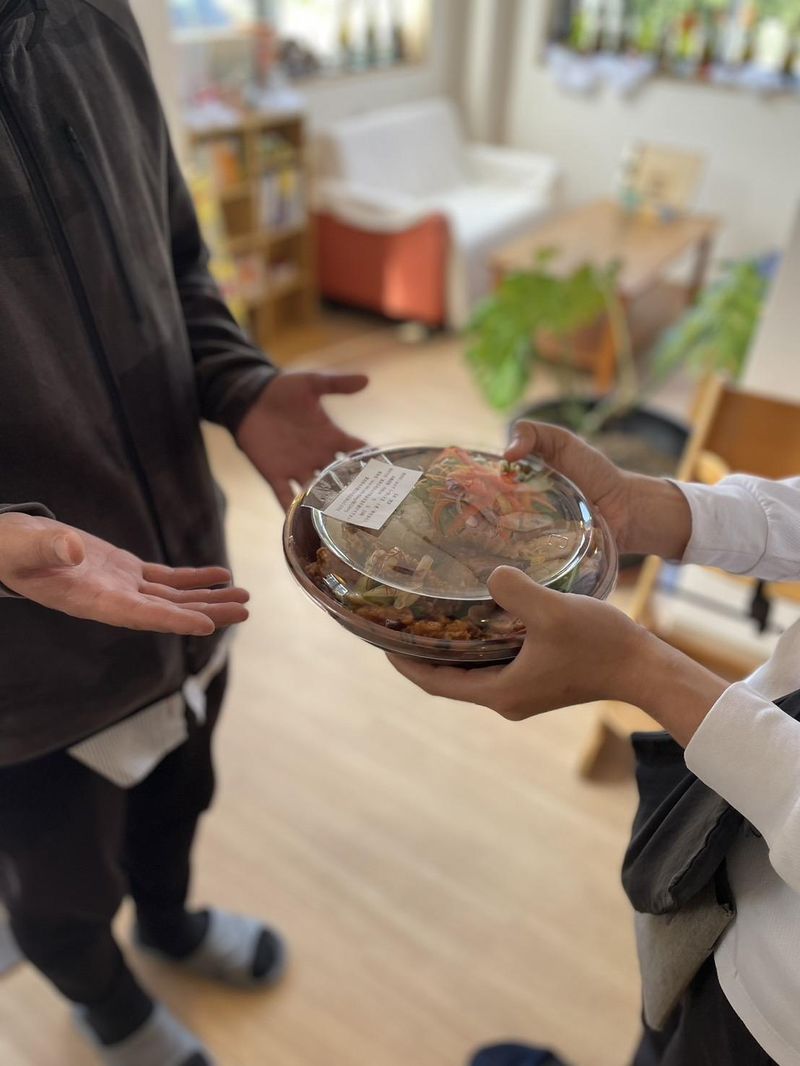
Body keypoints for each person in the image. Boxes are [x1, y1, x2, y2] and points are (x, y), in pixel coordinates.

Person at [0, 3, 366, 1065]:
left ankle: (168, 925)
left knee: (181, 796)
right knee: (59, 887)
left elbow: (177, 266)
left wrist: (239, 383)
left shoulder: (89, 18)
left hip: (187, 585)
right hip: (26, 671)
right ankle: (109, 1008)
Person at [390, 419, 800, 1066]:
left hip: (779, 1020)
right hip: (730, 851)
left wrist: (641, 671)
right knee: (669, 1009)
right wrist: (646, 508)